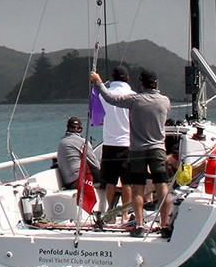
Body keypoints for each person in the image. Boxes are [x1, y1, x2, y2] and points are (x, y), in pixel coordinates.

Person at [91, 68, 173, 237]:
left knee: (136, 189)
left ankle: (139, 225)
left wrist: (98, 82)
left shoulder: (135, 100)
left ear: (142, 82)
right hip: (157, 149)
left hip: (136, 150)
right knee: (162, 187)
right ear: (156, 83)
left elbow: (110, 98)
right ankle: (164, 225)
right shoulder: (165, 101)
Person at [98, 66, 135, 218]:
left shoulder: (103, 95)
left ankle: (111, 214)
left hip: (109, 144)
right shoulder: (133, 96)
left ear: (113, 78)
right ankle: (125, 213)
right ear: (127, 78)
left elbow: (98, 118)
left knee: (110, 182)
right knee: (127, 182)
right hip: (127, 144)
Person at [56, 116, 101, 189]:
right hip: (79, 181)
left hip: (67, 182)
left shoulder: (62, 141)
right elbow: (96, 165)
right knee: (109, 178)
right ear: (79, 129)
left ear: (68, 128)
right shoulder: (82, 142)